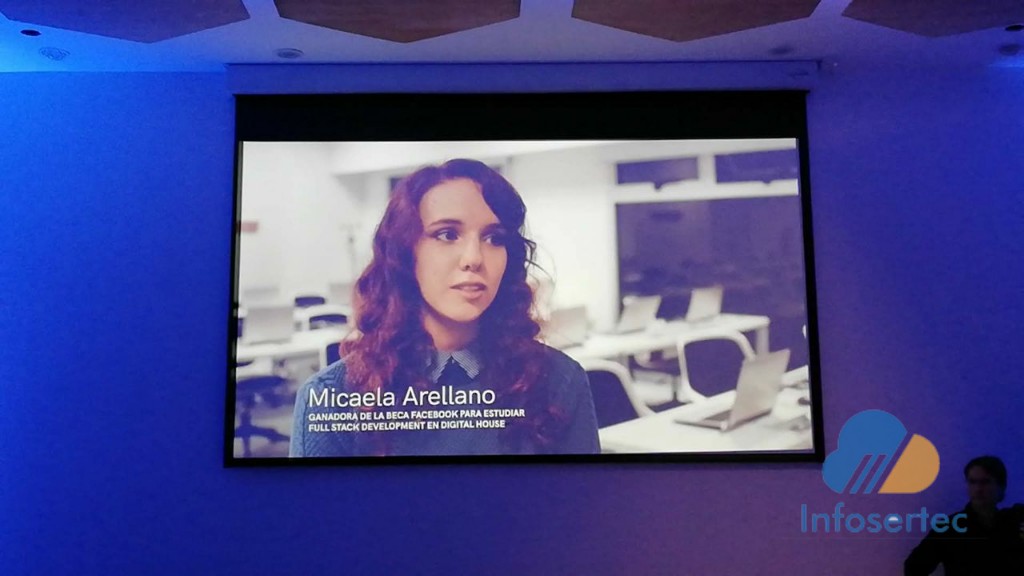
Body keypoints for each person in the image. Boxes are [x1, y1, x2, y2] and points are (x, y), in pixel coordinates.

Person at [289, 159, 600, 457]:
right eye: (447, 234)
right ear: (404, 252)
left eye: (494, 238)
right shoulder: (333, 397)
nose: (474, 258)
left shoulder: (559, 380)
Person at [904, 455, 1024, 575]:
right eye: (972, 482)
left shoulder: (1015, 522)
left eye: (985, 482)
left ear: (1001, 486)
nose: (978, 489)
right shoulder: (949, 527)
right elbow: (913, 567)